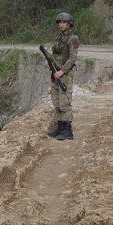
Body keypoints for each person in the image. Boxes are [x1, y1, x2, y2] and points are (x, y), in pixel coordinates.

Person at [44, 12, 80, 140]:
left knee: (65, 102)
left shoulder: (73, 38)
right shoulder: (59, 37)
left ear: (69, 24)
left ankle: (67, 131)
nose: (61, 24)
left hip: (64, 74)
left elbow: (72, 58)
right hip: (55, 72)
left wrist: (63, 71)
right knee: (57, 101)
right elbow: (55, 52)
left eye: (63, 22)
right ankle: (60, 128)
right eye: (59, 22)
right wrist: (48, 61)